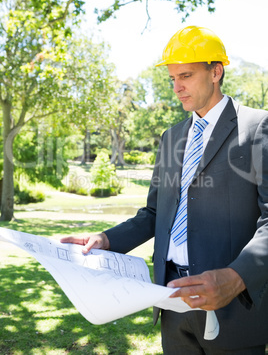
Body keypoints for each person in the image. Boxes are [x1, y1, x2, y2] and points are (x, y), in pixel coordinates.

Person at [61, 26, 268, 354]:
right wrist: (105, 239)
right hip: (171, 300)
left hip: (234, 309)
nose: (177, 87)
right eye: (172, 78)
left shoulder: (257, 127)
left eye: (185, 75)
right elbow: (155, 213)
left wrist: (236, 277)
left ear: (216, 71)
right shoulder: (171, 137)